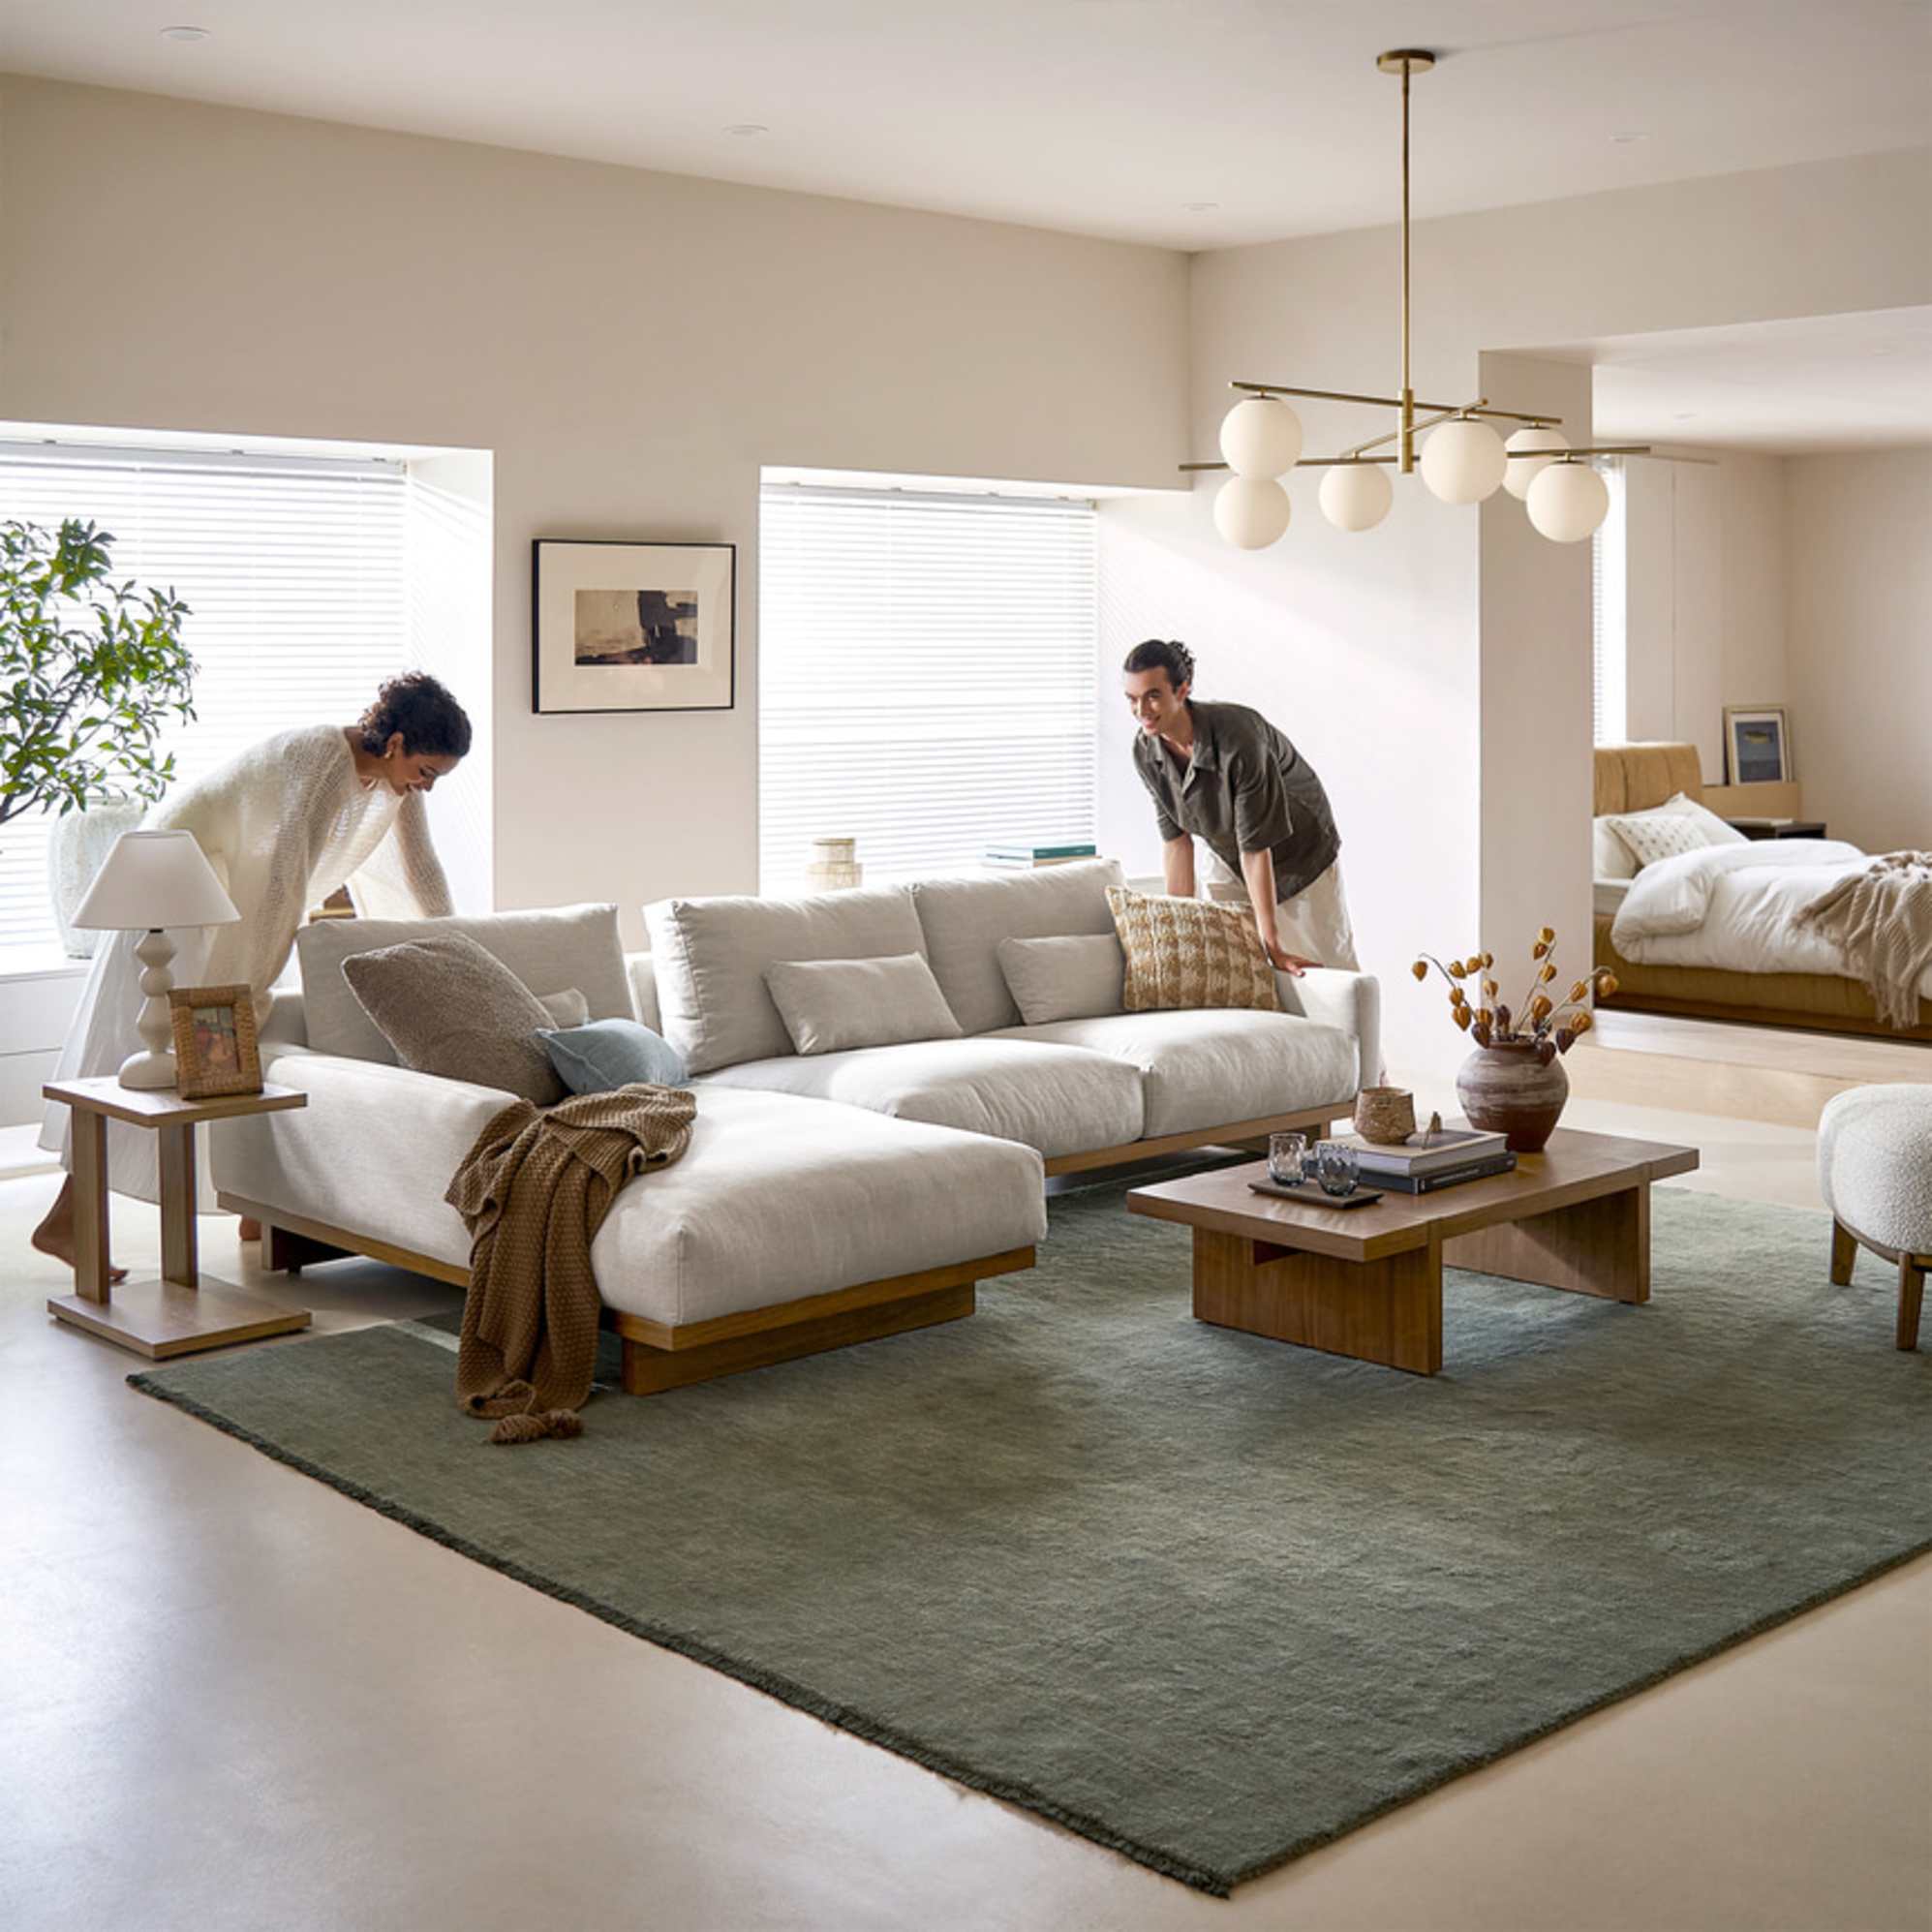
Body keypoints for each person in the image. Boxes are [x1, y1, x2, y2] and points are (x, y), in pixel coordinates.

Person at [32, 672, 472, 1273]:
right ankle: (67, 1221)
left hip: (225, 902)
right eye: (426, 771)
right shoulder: (322, 759)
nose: (428, 786)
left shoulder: (397, 784)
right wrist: (248, 989)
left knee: (230, 1057)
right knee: (144, 1060)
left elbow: (420, 870)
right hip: (175, 890)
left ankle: (256, 1210)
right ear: (395, 743)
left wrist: (460, 946)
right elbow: (283, 879)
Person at [1122, 638, 1358, 974]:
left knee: (1326, 965)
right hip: (1228, 852)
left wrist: (1273, 945)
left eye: (1153, 696)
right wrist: (1179, 934)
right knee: (1238, 966)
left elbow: (1256, 849)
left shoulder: (1239, 738)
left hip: (1301, 853)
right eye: (1132, 699)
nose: (1141, 711)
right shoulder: (1145, 751)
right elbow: (1177, 843)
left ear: (1183, 690)